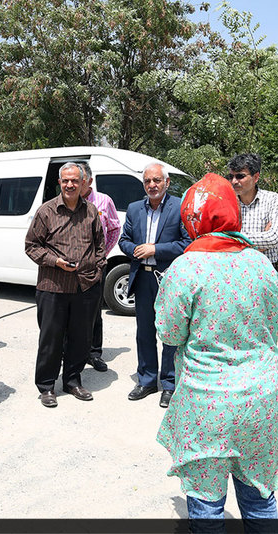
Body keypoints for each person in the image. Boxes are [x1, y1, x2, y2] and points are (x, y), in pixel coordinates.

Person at [155, 173, 278, 532]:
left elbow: (168, 333)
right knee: (260, 502)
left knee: (208, 510)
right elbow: (272, 325)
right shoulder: (261, 265)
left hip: (205, 407)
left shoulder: (185, 267)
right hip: (263, 401)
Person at [25, 162, 106, 408]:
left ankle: (72, 381)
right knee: (51, 339)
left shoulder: (91, 211)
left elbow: (100, 244)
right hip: (53, 286)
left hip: (85, 286)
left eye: (74, 180)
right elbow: (31, 246)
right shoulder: (46, 211)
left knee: (81, 339)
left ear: (83, 183)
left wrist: (97, 269)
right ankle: (46, 386)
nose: (70, 184)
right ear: (59, 183)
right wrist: (55, 261)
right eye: (65, 180)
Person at [119, 163, 190, 407]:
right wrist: (136, 250)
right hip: (143, 278)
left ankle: (169, 384)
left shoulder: (179, 206)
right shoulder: (134, 208)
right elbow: (123, 240)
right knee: (145, 332)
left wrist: (155, 249)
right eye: (148, 181)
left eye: (157, 180)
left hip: (168, 278)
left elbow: (187, 243)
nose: (152, 185)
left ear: (167, 182)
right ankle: (147, 380)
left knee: (170, 331)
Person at [79, 161, 120, 372]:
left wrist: (103, 254)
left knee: (94, 311)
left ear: (90, 181)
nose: (76, 185)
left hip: (95, 266)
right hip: (71, 267)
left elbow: (114, 228)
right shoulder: (68, 201)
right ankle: (72, 351)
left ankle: (94, 353)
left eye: (81, 181)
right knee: (70, 310)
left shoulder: (104, 201)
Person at [227, 153, 278, 264]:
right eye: (231, 177)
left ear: (256, 177)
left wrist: (234, 239)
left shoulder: (273, 200)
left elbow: (272, 238)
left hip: (265, 270)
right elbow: (219, 240)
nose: (234, 181)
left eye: (240, 176)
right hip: (235, 270)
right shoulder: (227, 202)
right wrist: (261, 242)